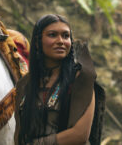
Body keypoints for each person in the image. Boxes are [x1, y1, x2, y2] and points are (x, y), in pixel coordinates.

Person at [14, 14, 105, 145]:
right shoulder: (25, 84)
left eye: (66, 36)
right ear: (38, 42)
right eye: (52, 35)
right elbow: (19, 135)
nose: (61, 41)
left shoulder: (81, 79)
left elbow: (80, 135)